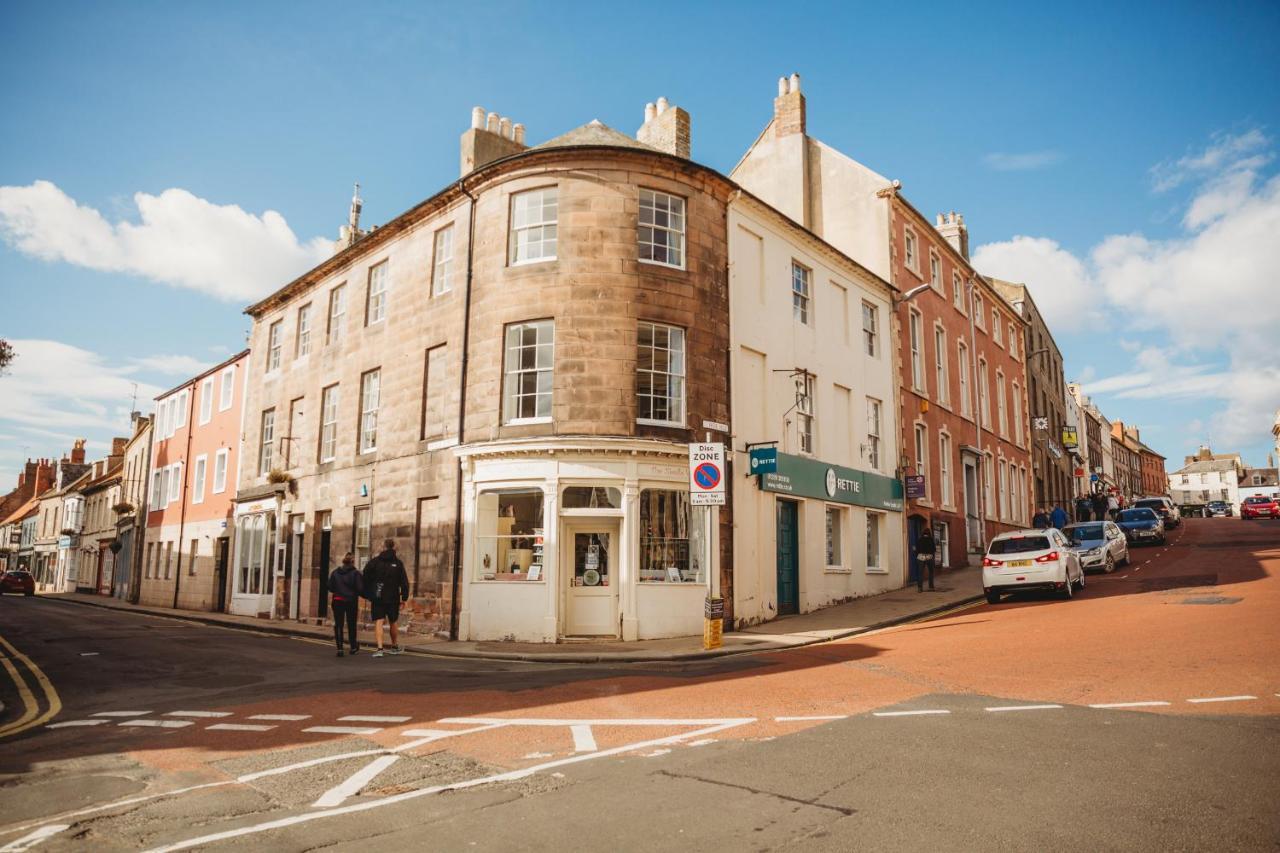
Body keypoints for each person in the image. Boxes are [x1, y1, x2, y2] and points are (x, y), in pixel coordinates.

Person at [363, 539, 410, 658]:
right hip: (393, 597)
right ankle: (394, 646)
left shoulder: (374, 562)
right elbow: (404, 582)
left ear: (383, 547)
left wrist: (370, 592)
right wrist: (404, 598)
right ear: (393, 547)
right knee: (393, 621)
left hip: (378, 596)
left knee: (379, 621)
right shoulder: (398, 563)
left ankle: (380, 649)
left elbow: (365, 577)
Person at [328, 553, 363, 657]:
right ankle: (353, 647)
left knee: (339, 624)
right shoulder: (356, 573)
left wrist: (338, 591)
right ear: (352, 562)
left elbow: (330, 587)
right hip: (351, 601)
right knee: (351, 624)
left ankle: (340, 648)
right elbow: (360, 589)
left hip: (338, 600)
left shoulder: (335, 573)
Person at [915, 524, 936, 592]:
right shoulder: (931, 540)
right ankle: (931, 586)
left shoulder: (920, 539)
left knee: (920, 573)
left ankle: (920, 588)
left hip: (920, 557)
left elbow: (917, 549)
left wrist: (918, 554)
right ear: (929, 533)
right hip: (929, 556)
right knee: (931, 572)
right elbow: (934, 549)